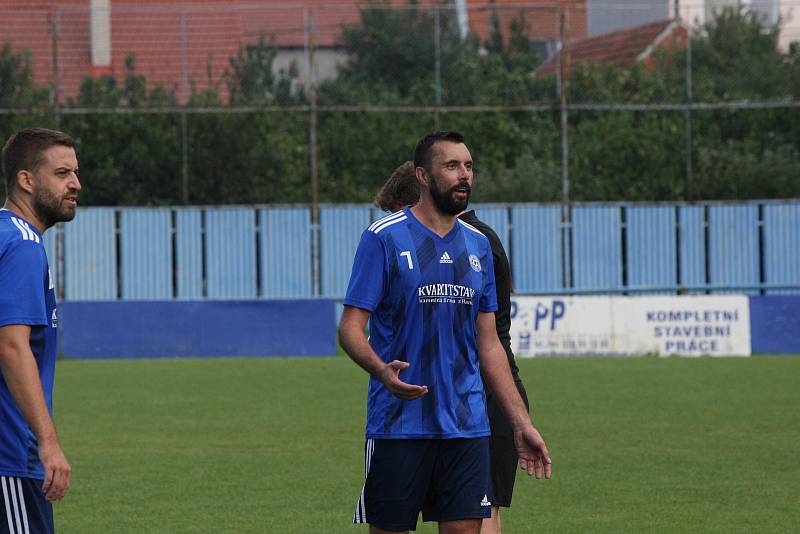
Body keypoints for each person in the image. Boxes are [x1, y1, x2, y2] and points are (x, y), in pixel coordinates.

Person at [340, 131, 551, 534]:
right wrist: (382, 370)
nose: (464, 176)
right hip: (399, 424)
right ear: (422, 175)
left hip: (467, 425)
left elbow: (489, 345)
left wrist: (521, 423)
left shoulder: (478, 246)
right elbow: (350, 328)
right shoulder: (383, 237)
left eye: (468, 166)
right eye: (451, 166)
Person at [374, 161, 530, 534]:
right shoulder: (474, 238)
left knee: (481, 510)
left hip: (478, 391)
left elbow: (480, 336)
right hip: (444, 393)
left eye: (401, 214)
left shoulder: (472, 241)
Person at [0, 128, 80, 533]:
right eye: (62, 173)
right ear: (26, 180)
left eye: (75, 173)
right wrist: (48, 443)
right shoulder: (23, 245)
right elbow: (12, 347)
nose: (76, 184)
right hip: (10, 455)